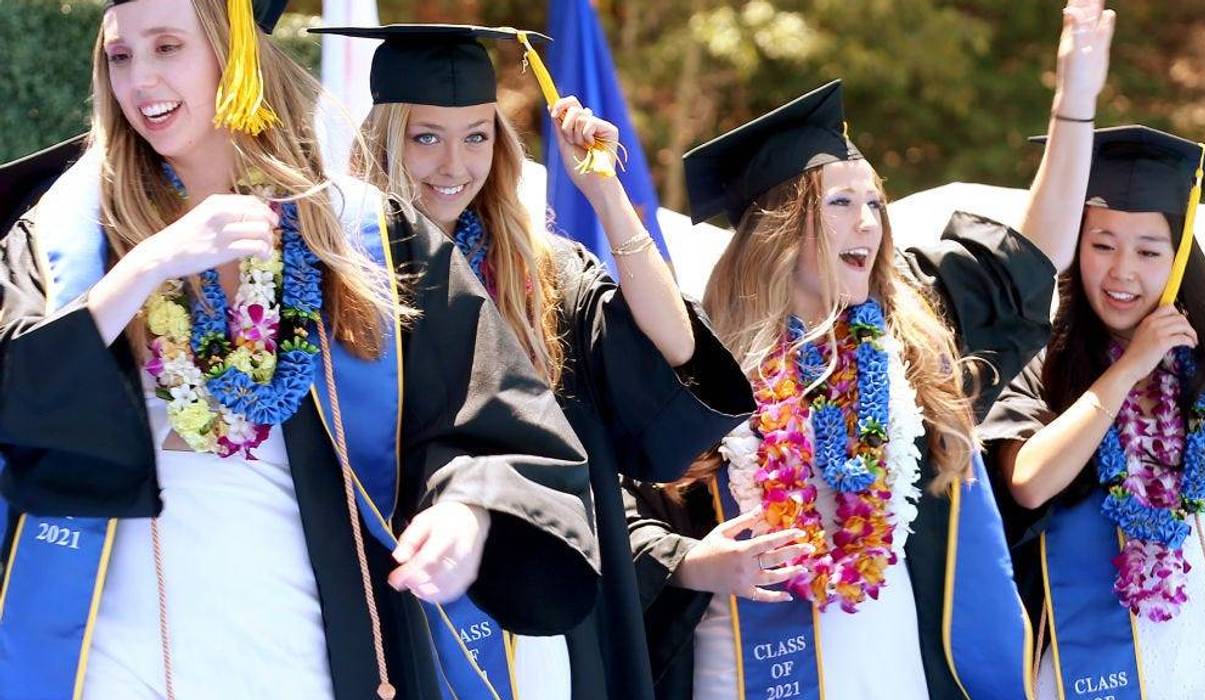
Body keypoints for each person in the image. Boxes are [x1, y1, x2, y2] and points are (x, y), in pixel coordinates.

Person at [0, 2, 600, 699]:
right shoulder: (64, 239)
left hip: (304, 647)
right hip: (112, 658)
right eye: (120, 56)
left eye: (168, 47)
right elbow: (15, 390)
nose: (141, 79)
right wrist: (144, 269)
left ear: (239, 55)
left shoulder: (360, 233)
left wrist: (465, 512)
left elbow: (496, 419)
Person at [624, 1, 1116, 697]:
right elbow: (621, 509)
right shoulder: (699, 359)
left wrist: (1074, 99)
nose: (868, 222)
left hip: (889, 667)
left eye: (874, 203)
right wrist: (687, 562)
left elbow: (1036, 251)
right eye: (838, 203)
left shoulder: (908, 326)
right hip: (743, 670)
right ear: (776, 227)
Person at [307, 22, 756, 700]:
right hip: (402, 599)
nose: (453, 165)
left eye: (476, 136)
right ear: (385, 141)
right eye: (425, 137)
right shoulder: (342, 278)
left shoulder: (541, 275)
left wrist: (604, 192)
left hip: (543, 608)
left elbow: (677, 352)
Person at [981, 125, 1205, 699]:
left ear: (1178, 259)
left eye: (1149, 252)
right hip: (1082, 675)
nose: (1123, 271)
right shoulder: (1033, 363)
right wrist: (1128, 370)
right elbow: (1029, 483)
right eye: (1102, 245)